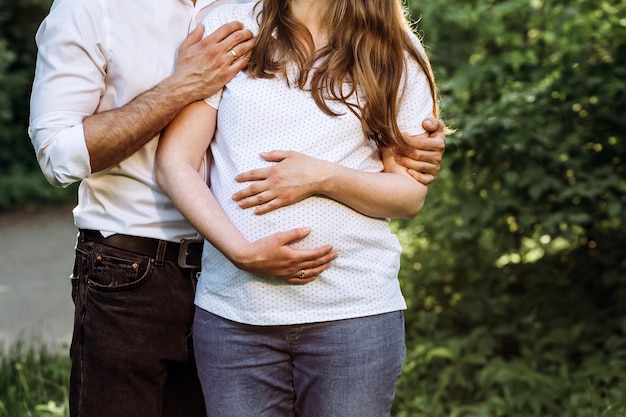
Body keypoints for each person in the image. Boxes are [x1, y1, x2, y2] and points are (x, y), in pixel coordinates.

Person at [28, 0, 445, 416]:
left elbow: (403, 179)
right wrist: (183, 85)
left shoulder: (377, 45)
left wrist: (342, 169)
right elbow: (63, 154)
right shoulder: (106, 9)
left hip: (291, 295)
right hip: (145, 272)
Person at [155, 0, 443, 416]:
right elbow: (174, 162)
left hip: (354, 316)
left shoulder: (392, 52)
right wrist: (241, 252)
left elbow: (409, 195)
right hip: (235, 318)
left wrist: (322, 177)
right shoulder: (233, 29)